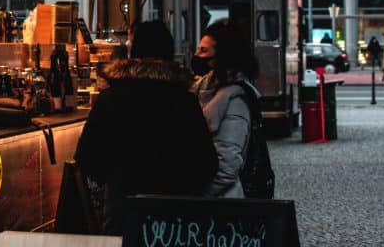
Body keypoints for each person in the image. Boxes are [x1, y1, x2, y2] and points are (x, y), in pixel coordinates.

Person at [74, 20, 218, 234]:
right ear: (169, 56)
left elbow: (86, 159)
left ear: (134, 53)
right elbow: (206, 165)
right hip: (174, 224)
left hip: (122, 216)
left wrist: (118, 177)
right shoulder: (184, 101)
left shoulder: (110, 99)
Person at [190, 18, 259, 198]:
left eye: (204, 50)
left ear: (222, 55)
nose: (197, 55)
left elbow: (227, 166)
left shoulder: (235, 100)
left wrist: (195, 196)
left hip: (222, 206)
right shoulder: (203, 88)